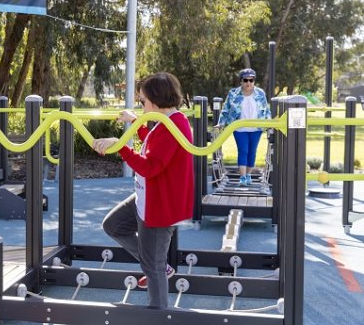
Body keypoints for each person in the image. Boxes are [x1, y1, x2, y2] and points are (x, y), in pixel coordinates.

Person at [92, 72, 194, 308]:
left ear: (156, 101)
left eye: (143, 101)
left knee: (152, 266)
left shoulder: (174, 124)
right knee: (113, 225)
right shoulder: (167, 122)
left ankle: (157, 313)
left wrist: (119, 147)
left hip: (159, 206)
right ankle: (158, 264)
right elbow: (154, 146)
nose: (141, 104)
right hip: (147, 196)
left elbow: (150, 166)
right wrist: (135, 121)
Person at [216, 68, 271, 186]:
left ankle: (248, 175)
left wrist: (270, 123)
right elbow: (225, 110)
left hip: (256, 128)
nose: (248, 83)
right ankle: (242, 177)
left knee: (252, 152)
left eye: (251, 80)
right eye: (245, 80)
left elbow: (266, 110)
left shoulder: (260, 93)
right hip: (239, 128)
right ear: (241, 81)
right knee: (243, 151)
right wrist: (221, 123)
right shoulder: (233, 93)